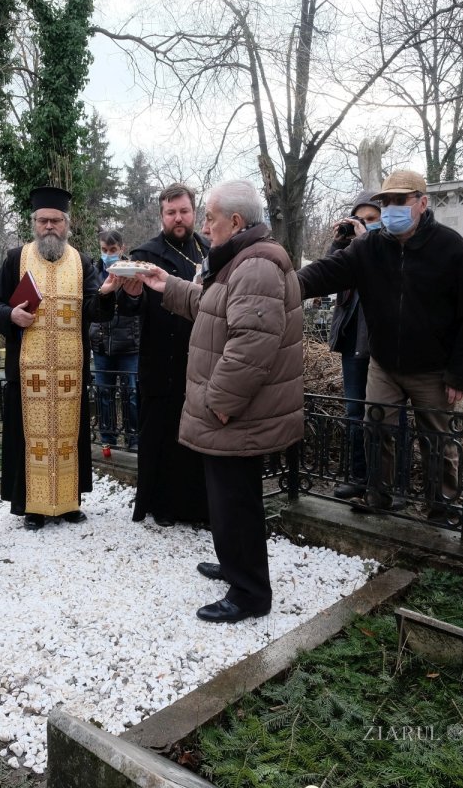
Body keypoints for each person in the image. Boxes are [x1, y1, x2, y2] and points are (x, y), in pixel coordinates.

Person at [138, 180, 304, 623]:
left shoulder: (256, 267)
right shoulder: (242, 261)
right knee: (228, 499)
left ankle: (249, 594)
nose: (203, 225)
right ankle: (235, 567)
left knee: (237, 503)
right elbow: (214, 307)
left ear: (235, 221)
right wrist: (166, 285)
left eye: (208, 217)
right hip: (232, 413)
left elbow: (251, 346)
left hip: (237, 414)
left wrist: (220, 404)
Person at [296, 169, 463, 517]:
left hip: (433, 367)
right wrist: (286, 284)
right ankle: (378, 497)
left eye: (401, 201)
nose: (392, 209)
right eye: (386, 202)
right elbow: (328, 271)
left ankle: (440, 505)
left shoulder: (453, 248)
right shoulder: (369, 247)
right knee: (376, 428)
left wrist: (461, 374)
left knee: (437, 439)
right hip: (384, 362)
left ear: (422, 203)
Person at [0, 186, 123, 530]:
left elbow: (93, 309)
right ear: (34, 223)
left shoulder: (82, 262)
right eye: (43, 220)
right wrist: (11, 316)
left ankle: (68, 502)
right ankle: (32, 506)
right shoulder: (16, 258)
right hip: (28, 371)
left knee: (67, 439)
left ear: (66, 224)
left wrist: (105, 294)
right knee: (29, 440)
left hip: (68, 374)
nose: (49, 227)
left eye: (56, 221)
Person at [125, 183, 211, 527]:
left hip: (199, 356)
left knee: (196, 437)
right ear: (162, 216)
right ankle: (161, 505)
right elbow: (128, 307)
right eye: (171, 212)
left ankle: (197, 507)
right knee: (161, 434)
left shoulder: (208, 250)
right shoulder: (145, 254)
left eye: (184, 211)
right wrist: (130, 296)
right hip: (160, 357)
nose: (178, 218)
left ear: (194, 213)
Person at [326, 191, 381, 501]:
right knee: (353, 412)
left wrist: (364, 240)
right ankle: (359, 477)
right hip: (352, 340)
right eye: (360, 220)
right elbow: (328, 274)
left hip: (380, 342)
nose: (365, 225)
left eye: (372, 220)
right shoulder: (349, 250)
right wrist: (339, 243)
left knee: (387, 415)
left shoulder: (387, 246)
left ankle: (390, 485)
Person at [89, 230, 141, 449]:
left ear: (121, 248)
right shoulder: (93, 272)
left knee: (132, 395)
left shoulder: (133, 271)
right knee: (104, 394)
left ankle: (134, 440)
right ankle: (107, 440)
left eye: (112, 250)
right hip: (101, 345)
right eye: (104, 250)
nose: (108, 254)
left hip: (128, 345)